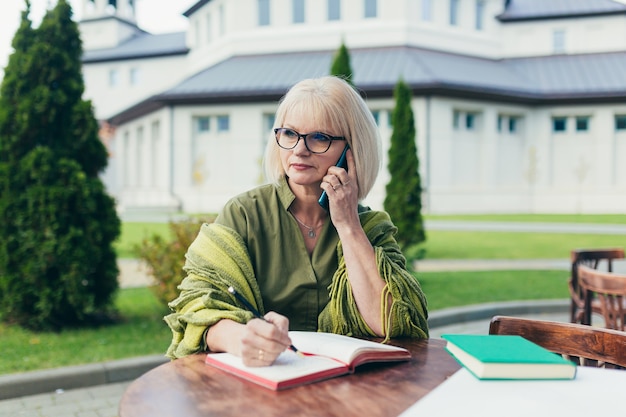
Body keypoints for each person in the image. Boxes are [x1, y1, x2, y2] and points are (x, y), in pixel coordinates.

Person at [164, 76, 428, 366]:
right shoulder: (244, 213)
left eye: (319, 137)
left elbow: (393, 322)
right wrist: (243, 338)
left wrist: (348, 225)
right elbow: (197, 303)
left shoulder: (369, 227)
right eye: (289, 133)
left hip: (348, 391)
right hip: (262, 384)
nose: (299, 150)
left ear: (351, 152)